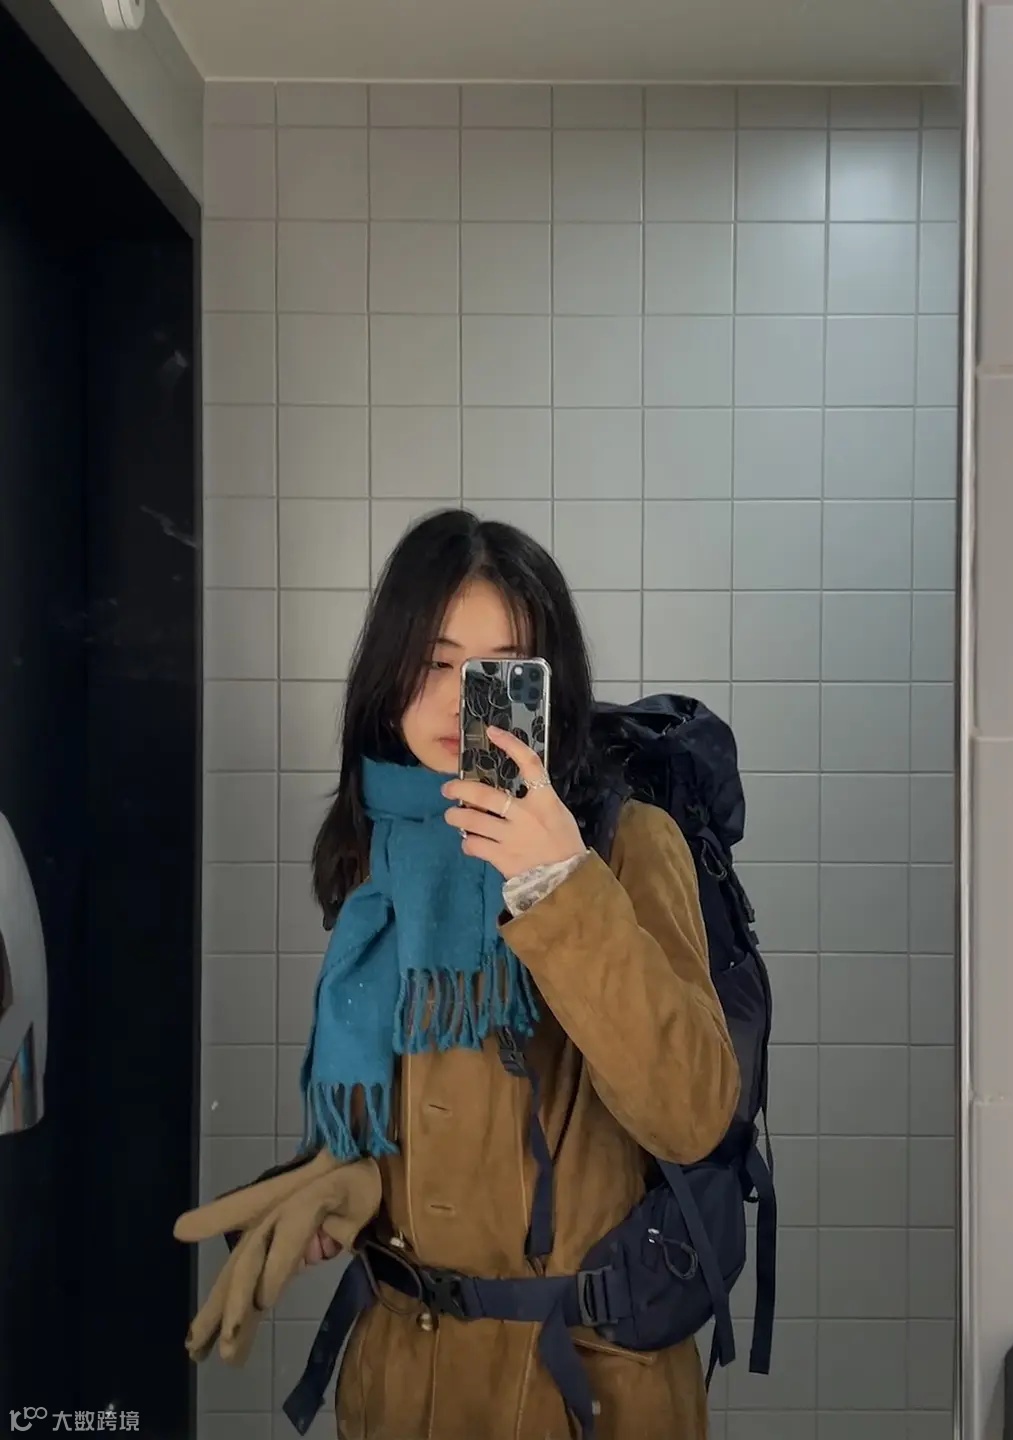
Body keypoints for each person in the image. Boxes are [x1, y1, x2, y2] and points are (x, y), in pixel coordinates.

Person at [301, 508, 739, 1440]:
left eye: (497, 672)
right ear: (386, 677)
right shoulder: (383, 849)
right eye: (435, 663)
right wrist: (338, 1183)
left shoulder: (626, 843)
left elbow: (693, 1111)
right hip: (402, 1386)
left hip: (579, 1392)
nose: (461, 701)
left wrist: (558, 883)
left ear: (545, 689)